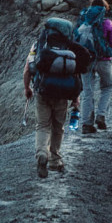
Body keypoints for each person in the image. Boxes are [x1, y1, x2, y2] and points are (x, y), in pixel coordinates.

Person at [23, 18, 90, 177]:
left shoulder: (39, 45)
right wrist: (75, 97)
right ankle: (55, 160)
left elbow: (28, 68)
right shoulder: (71, 48)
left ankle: (42, 154)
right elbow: (76, 74)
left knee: (43, 125)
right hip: (63, 94)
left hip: (43, 91)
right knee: (58, 126)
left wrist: (27, 88)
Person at [75, 0, 112, 133]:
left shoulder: (83, 20)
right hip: (104, 61)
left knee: (87, 92)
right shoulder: (106, 22)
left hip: (86, 60)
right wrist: (109, 50)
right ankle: (101, 115)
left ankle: (87, 124)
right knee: (107, 87)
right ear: (104, 8)